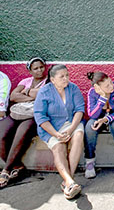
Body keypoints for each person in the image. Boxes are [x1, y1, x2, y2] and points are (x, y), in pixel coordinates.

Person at [0, 57, 47, 189]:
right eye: (35, 68)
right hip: (18, 112)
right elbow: (13, 96)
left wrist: (25, 94)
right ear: (30, 71)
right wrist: (32, 96)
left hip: (34, 115)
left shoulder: (48, 82)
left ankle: (6, 170)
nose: (39, 71)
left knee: (22, 131)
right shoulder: (25, 81)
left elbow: (43, 96)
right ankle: (18, 167)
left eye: (41, 67)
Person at [33, 65, 84, 200]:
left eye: (67, 75)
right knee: (59, 147)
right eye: (62, 76)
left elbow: (79, 110)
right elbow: (41, 118)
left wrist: (72, 128)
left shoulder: (73, 88)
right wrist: (56, 134)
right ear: (52, 79)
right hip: (51, 128)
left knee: (78, 136)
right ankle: (70, 182)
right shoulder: (44, 92)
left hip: (72, 123)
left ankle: (68, 181)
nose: (66, 78)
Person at [85, 71, 114, 179]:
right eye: (107, 86)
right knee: (89, 126)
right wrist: (102, 97)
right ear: (97, 87)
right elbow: (92, 114)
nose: (111, 86)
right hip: (99, 117)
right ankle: (90, 162)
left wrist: (105, 119)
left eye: (110, 82)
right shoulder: (92, 92)